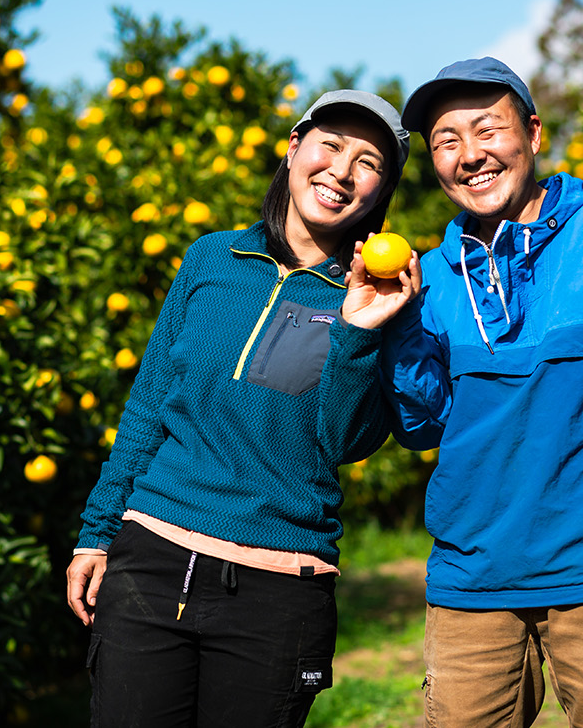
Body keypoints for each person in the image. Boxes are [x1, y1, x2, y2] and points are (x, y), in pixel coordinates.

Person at [366, 57, 583, 728]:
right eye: (446, 142)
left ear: (532, 131)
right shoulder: (430, 275)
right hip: (472, 586)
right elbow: (421, 425)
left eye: (486, 130)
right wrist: (400, 323)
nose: (470, 156)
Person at [65, 89, 415, 728]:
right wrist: (96, 532)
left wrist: (359, 329)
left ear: (381, 191)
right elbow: (149, 406)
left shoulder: (377, 298)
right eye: (331, 145)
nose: (341, 170)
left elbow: (341, 440)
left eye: (368, 162)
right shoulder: (212, 259)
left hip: (278, 585)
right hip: (152, 559)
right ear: (292, 148)